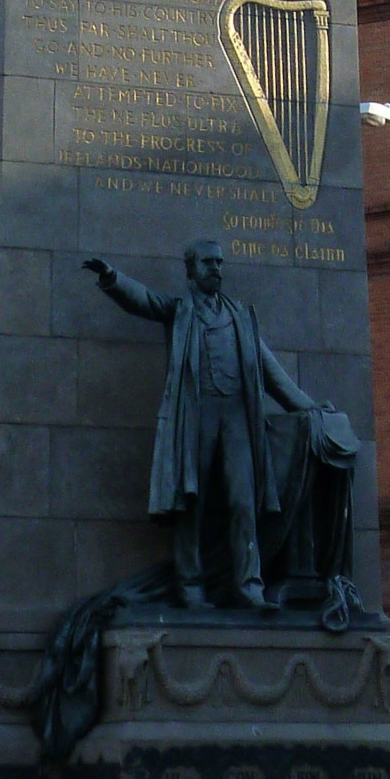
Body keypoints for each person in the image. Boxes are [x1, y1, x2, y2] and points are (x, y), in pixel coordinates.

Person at [84, 237, 316, 609]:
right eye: (208, 263)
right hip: (196, 417)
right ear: (190, 270)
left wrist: (308, 407)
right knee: (193, 503)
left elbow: (271, 373)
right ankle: (190, 585)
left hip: (238, 420)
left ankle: (249, 585)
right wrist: (112, 278)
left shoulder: (240, 317)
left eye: (220, 263)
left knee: (244, 502)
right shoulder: (181, 311)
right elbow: (144, 300)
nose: (216, 269)